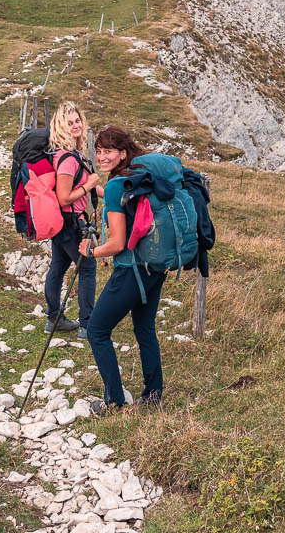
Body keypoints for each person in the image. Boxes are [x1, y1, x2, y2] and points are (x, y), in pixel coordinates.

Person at [78, 125, 166, 414]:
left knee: (97, 329)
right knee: (144, 328)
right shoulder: (136, 178)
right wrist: (101, 191)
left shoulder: (118, 186)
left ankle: (113, 400)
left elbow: (116, 244)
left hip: (130, 270)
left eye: (108, 152)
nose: (102, 157)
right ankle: (154, 394)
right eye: (99, 151)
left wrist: (92, 251)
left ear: (122, 153)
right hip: (154, 266)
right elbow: (126, 206)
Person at [44, 101, 102, 339]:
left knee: (58, 268)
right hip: (71, 223)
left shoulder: (75, 155)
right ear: (60, 126)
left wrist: (118, 193)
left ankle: (54, 319)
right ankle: (87, 324)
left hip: (63, 222)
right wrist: (88, 185)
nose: (75, 125)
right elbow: (64, 197)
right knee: (88, 268)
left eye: (77, 120)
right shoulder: (67, 159)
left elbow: (92, 187)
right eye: (69, 123)